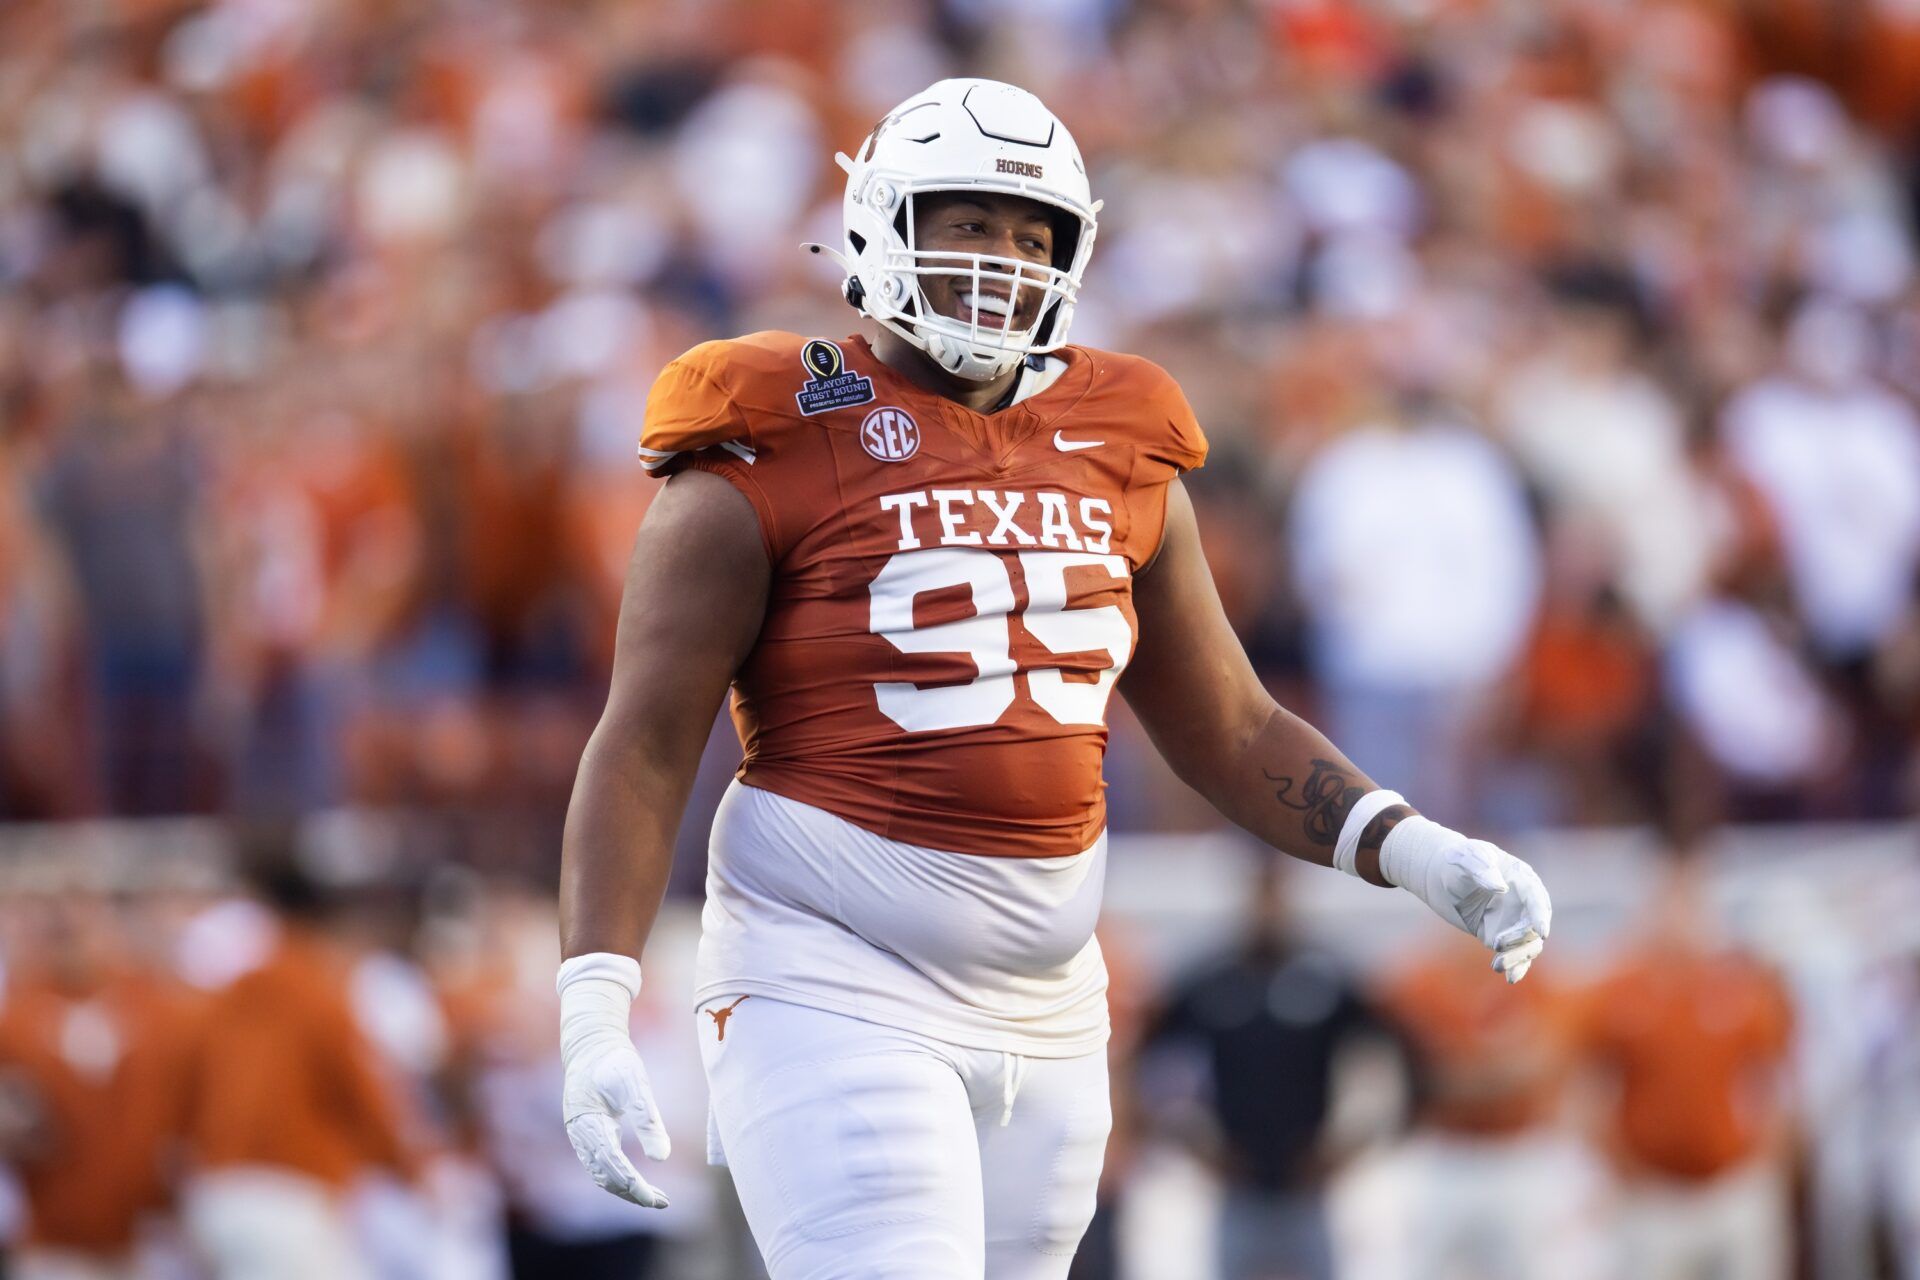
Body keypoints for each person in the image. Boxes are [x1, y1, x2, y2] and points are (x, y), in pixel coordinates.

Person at [556, 77, 1553, 1279]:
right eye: (967, 222)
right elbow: (647, 736)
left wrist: (1415, 848)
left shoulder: (1121, 436)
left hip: (1051, 1004)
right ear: (879, 222)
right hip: (831, 969)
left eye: (1032, 234)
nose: (1000, 261)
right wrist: (595, 997)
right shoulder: (772, 424)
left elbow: (1230, 725)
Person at [1139, 855, 1405, 1280]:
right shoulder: (1213, 982)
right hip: (1236, 1178)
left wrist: (1357, 1142)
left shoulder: (1326, 976)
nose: (1268, 909)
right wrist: (1186, 1139)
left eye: (1277, 896)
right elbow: (1148, 1055)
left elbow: (1395, 1051)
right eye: (1260, 896)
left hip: (1309, 1180)